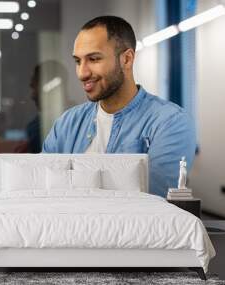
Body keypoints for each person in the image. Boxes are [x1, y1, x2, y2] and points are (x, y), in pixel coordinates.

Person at [42, 16, 196, 197]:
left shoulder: (170, 123)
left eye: (93, 59)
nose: (82, 73)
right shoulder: (66, 124)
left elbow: (152, 202)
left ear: (127, 59)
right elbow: (44, 190)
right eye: (78, 61)